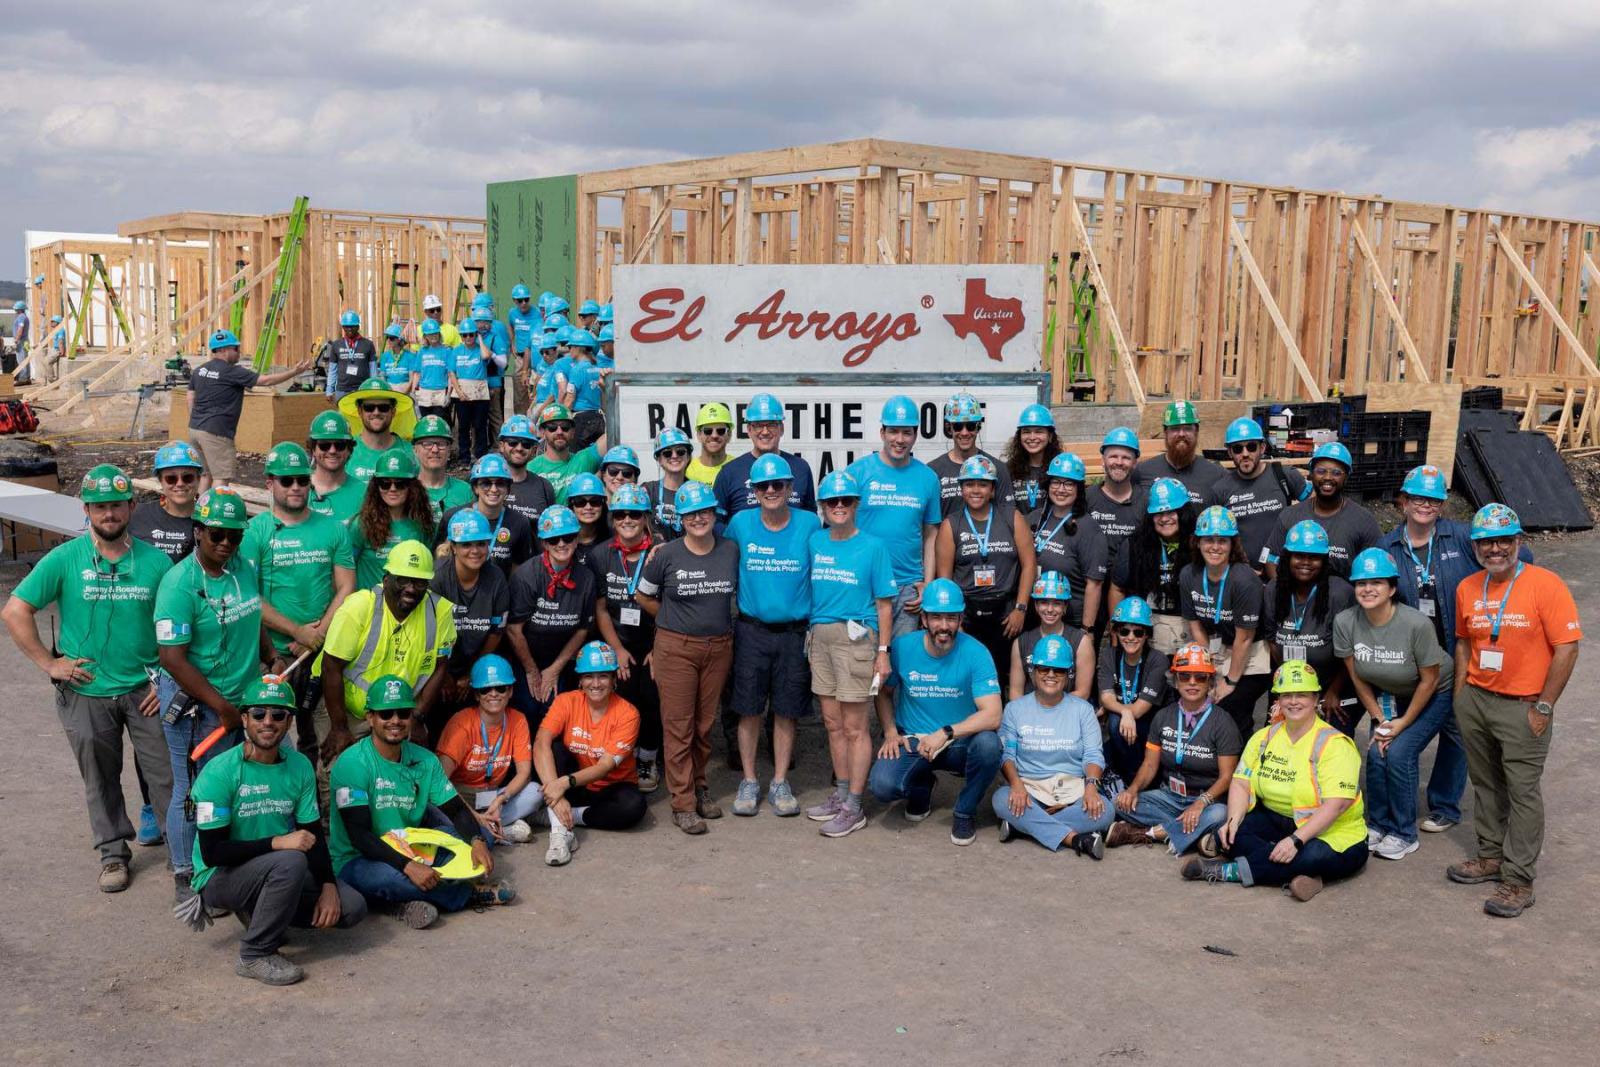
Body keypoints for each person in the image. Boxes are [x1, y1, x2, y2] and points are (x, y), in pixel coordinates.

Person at [2, 465, 174, 892]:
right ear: (87, 510)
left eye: (116, 505)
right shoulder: (65, 558)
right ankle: (113, 853)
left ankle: (185, 857)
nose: (109, 514)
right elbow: (15, 611)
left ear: (132, 506)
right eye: (100, 507)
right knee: (99, 776)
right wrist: (49, 663)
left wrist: (166, 678)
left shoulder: (157, 562)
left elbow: (178, 625)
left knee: (168, 774)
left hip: (145, 690)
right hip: (86, 690)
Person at [186, 678, 366, 986]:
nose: (268, 722)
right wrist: (279, 842)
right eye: (258, 714)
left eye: (278, 715)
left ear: (289, 722)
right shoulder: (218, 772)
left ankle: (262, 913)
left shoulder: (299, 766)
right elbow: (212, 852)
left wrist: (327, 885)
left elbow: (312, 832)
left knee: (351, 908)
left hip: (270, 866)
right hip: (218, 876)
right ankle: (255, 953)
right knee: (291, 860)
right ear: (244, 719)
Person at [1447, 504, 1581, 917]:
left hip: (1524, 706)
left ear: (1519, 542)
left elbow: (1567, 647)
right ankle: (1490, 857)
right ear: (1476, 546)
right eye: (1487, 541)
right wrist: (1460, 693)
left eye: (1505, 540)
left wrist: (1544, 704)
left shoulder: (1546, 584)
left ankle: (1518, 878)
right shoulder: (1468, 587)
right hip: (1477, 700)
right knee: (1485, 782)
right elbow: (1464, 641)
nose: (1496, 549)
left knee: (1522, 791)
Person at [154, 488, 285, 904]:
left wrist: (270, 654)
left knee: (231, 790)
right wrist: (222, 708)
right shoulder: (179, 585)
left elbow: (252, 612)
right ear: (198, 532)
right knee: (194, 792)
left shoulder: (242, 568)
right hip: (200, 710)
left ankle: (220, 865)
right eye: (217, 535)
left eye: (234, 535)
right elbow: (172, 658)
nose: (226, 542)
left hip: (238, 703)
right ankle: (185, 872)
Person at [1379, 464, 1518, 835]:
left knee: (1457, 730)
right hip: (1413, 658)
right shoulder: (1387, 547)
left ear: (1442, 505)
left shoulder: (1461, 537)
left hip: (1461, 651)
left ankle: (1444, 805)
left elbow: (1514, 562)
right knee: (1410, 725)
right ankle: (1399, 800)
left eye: (1434, 499)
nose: (1425, 505)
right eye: (1418, 498)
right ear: (1404, 502)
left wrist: (1494, 608)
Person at [329, 676, 511, 929]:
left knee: (481, 835)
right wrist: (408, 866)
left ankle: (412, 897)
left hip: (412, 845)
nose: (395, 721)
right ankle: (465, 895)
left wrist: (477, 842)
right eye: (385, 714)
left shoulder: (424, 759)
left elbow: (456, 809)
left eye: (403, 713)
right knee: (392, 879)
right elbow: (359, 835)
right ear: (370, 718)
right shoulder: (352, 763)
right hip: (359, 858)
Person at [1188, 660, 1368, 901]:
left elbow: (1337, 805)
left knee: (1313, 855)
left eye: (1302, 695)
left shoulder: (1335, 744)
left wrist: (1296, 840)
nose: (1293, 701)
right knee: (1231, 834)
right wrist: (1232, 820)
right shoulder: (1264, 737)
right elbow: (1241, 782)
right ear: (1278, 701)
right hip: (1278, 821)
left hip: (1332, 832)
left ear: (1316, 699)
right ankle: (1304, 876)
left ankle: (1228, 871)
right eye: (1287, 695)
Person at [1332, 547, 1452, 861]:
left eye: (1377, 583)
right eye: (1361, 583)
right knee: (1375, 751)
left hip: (1431, 692)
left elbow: (1429, 680)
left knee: (1398, 752)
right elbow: (1357, 676)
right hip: (1387, 695)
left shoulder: (1415, 624)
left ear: (1392, 588)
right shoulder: (1346, 622)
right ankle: (1378, 824)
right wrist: (1378, 718)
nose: (1368, 589)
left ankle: (1403, 832)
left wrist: (1402, 724)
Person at [239, 443, 356, 762]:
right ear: (269, 483)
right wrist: (296, 632)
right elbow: (249, 597)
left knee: (322, 740)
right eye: (286, 480)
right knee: (264, 739)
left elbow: (346, 586)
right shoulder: (254, 532)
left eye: (302, 480)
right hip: (272, 655)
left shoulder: (333, 529)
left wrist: (315, 636)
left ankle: (317, 810)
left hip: (321, 652)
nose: (295, 487)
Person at [635, 482, 739, 835]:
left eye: (704, 511)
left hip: (718, 648)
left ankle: (700, 786)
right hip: (676, 648)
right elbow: (642, 595)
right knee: (678, 727)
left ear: (714, 514)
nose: (698, 518)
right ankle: (682, 803)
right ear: (680, 519)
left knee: (703, 726)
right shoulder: (665, 555)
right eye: (691, 513)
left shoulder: (729, 550)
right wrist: (671, 620)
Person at [867, 579, 1003, 846]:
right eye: (937, 617)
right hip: (914, 740)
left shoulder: (976, 653)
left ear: (961, 618)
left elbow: (993, 714)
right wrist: (891, 731)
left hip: (958, 743)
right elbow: (883, 692)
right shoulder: (904, 647)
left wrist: (945, 733)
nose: (944, 626)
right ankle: (922, 785)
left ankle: (965, 810)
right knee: (883, 786)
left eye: (951, 618)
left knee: (990, 746)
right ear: (924, 619)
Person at [725, 454, 821, 817]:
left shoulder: (810, 524)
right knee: (747, 710)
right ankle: (749, 780)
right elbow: (713, 553)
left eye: (777, 485)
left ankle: (780, 780)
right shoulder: (740, 523)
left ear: (790, 488)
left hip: (794, 633)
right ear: (753, 491)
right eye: (762, 486)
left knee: (786, 711)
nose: (770, 491)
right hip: (751, 629)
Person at [805, 471, 895, 838]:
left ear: (855, 505)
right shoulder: (815, 541)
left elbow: (885, 605)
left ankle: (855, 806)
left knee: (856, 726)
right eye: (832, 502)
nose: (838, 507)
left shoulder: (873, 546)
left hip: (856, 639)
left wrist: (883, 651)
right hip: (820, 638)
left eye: (845, 501)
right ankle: (841, 794)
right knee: (832, 722)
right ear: (823, 507)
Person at [316, 541, 456, 773]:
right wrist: (339, 727)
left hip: (400, 713)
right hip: (348, 710)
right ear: (387, 578)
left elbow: (441, 667)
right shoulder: (359, 607)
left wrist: (418, 718)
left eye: (420, 582)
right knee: (337, 770)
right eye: (403, 579)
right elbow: (331, 666)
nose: (411, 588)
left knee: (403, 775)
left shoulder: (439, 612)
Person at [1108, 642, 1240, 855]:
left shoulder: (1223, 723)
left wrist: (1199, 804)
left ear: (1210, 682)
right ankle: (1194, 833)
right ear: (1175, 680)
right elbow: (1150, 764)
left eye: (1200, 677)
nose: (1192, 682)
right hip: (1169, 797)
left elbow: (1227, 777)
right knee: (1119, 803)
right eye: (1185, 676)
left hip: (1207, 800)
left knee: (1221, 814)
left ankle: (1150, 833)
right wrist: (1132, 789)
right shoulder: (1163, 717)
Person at [991, 634, 1111, 858]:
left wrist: (1091, 786)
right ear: (1033, 671)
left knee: (1105, 809)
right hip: (1029, 789)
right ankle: (1075, 839)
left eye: (1059, 670)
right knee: (1001, 799)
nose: (1051, 675)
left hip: (1072, 789)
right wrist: (1016, 784)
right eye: (1044, 669)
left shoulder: (1083, 709)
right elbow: (1007, 754)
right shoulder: (1015, 709)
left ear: (1068, 675)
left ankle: (1023, 826)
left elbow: (1094, 754)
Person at [533, 641, 647, 865]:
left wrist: (562, 785)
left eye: (603, 676)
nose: (595, 683)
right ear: (580, 680)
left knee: (634, 807)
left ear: (614, 680)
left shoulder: (628, 714)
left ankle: (564, 816)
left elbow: (605, 767)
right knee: (555, 750)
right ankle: (560, 831)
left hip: (609, 787)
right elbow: (540, 743)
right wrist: (555, 791)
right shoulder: (566, 701)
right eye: (588, 676)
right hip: (575, 785)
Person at [588, 485, 663, 792]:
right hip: (618, 639)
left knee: (652, 698)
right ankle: (625, 756)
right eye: (621, 514)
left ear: (645, 517)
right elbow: (601, 608)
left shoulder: (661, 552)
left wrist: (659, 648)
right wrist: (616, 649)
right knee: (624, 699)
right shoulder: (600, 554)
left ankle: (648, 758)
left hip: (655, 639)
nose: (627, 520)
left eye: (634, 514)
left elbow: (670, 606)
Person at [848, 395, 943, 637]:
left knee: (901, 663)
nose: (899, 440)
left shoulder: (928, 478)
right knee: (863, 663)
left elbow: (931, 535)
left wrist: (927, 583)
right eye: (893, 431)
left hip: (908, 589)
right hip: (864, 584)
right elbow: (839, 529)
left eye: (906, 432)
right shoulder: (857, 473)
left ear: (915, 435)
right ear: (882, 432)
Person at [936, 455, 1036, 678]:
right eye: (969, 484)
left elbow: (1029, 565)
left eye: (983, 484)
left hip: (1006, 613)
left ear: (992, 489)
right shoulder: (950, 525)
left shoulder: (1012, 517)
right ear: (961, 488)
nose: (976, 490)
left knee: (1004, 679)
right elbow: (945, 580)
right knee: (966, 677)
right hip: (967, 615)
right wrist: (954, 619)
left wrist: (1020, 609)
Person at [1180, 505, 1270, 740]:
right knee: (1196, 695)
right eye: (1209, 539)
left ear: (1232, 545)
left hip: (1250, 652)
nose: (1215, 547)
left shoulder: (1244, 579)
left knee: (1229, 705)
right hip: (1216, 647)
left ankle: (1239, 765)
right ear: (1197, 542)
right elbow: (1195, 625)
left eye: (1223, 541)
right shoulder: (1188, 575)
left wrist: (1229, 680)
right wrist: (1208, 669)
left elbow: (1246, 637)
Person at [506, 505, 597, 725]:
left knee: (556, 710)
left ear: (576, 540)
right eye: (554, 539)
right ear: (544, 543)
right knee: (527, 707)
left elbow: (582, 629)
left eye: (567, 538)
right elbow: (513, 629)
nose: (562, 544)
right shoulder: (526, 576)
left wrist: (554, 670)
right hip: (525, 658)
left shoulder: (586, 578)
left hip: (561, 659)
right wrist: (532, 670)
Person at [188, 329, 309, 491]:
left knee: (205, 474)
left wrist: (195, 419)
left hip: (195, 429)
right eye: (236, 349)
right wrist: (294, 372)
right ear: (224, 350)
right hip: (216, 432)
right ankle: (216, 513)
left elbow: (190, 397)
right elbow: (265, 381)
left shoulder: (200, 370)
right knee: (221, 478)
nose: (239, 352)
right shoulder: (232, 371)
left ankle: (199, 509)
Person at [435, 654, 538, 846]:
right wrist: (471, 815)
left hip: (493, 795)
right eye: (485, 689)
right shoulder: (461, 723)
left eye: (500, 688)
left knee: (535, 793)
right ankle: (498, 829)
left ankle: (485, 828)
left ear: (510, 691)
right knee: (435, 809)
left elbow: (524, 773)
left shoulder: (518, 719)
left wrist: (501, 799)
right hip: (459, 795)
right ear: (476, 694)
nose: (493, 694)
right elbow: (440, 781)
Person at [1263, 520, 1355, 728]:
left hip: (1330, 689)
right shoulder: (1274, 589)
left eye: (1314, 557)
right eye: (1299, 556)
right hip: (1288, 687)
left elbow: (1350, 652)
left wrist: (1334, 691)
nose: (1306, 562)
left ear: (1323, 561)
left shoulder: (1340, 593)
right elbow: (1271, 639)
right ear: (1287, 558)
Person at [1263, 443, 1382, 580]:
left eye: (1336, 473)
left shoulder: (1363, 521)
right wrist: (1283, 593)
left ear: (1346, 477)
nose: (1328, 477)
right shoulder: (1290, 516)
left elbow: (1377, 569)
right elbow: (1270, 559)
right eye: (1321, 471)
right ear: (1311, 474)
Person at [1207, 417, 1306, 573]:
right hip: (1242, 577)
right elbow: (1213, 539)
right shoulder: (1220, 490)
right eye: (1238, 449)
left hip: (1284, 576)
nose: (1245, 454)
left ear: (1262, 447)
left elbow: (1317, 510)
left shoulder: (1285, 476)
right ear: (1230, 452)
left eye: (1251, 447)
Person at [1108, 478, 1196, 655]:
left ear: (1183, 513)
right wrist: (1116, 633)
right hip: (1145, 632)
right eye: (1158, 513)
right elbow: (1117, 589)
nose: (1164, 519)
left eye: (1171, 512)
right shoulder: (1133, 545)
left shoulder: (1199, 544)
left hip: (1190, 630)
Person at [1028, 452, 1108, 630]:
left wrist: (1087, 630)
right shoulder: (1034, 519)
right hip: (1036, 617)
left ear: (1079, 488)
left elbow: (1094, 585)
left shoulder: (1089, 529)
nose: (1061, 489)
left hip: (1071, 622)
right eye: (1056, 482)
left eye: (1069, 484)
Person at [1097, 596, 1171, 782]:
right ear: (1116, 632)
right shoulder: (1108, 655)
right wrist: (1125, 712)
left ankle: (1136, 780)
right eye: (1124, 631)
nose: (1130, 637)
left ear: (1147, 634)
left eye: (1138, 632)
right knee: (1113, 724)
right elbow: (1106, 697)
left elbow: (1140, 709)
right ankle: (1125, 777)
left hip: (1152, 724)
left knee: (1116, 722)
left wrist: (1124, 711)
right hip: (1124, 723)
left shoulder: (1158, 659)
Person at [713, 392, 817, 516]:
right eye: (758, 425)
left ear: (781, 429)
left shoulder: (801, 468)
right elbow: (716, 522)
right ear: (749, 430)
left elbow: (810, 517)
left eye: (771, 425)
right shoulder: (729, 473)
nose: (765, 432)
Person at [437, 454, 535, 578]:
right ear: (475, 488)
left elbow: (518, 569)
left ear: (508, 489)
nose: (493, 489)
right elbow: (440, 559)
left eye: (500, 483)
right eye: (486, 483)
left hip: (499, 593)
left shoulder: (519, 522)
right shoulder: (453, 517)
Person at [349, 449, 435, 590]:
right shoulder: (361, 525)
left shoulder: (421, 524)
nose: (392, 489)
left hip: (407, 605)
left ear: (411, 487)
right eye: (385, 483)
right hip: (370, 607)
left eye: (400, 483)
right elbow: (346, 571)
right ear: (376, 487)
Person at [1009, 571, 1094, 701]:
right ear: (1036, 605)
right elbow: (1015, 693)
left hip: (1068, 712)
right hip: (1031, 714)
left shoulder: (1081, 642)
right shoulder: (1021, 642)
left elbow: (1083, 692)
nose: (1049, 609)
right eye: (1044, 602)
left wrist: (1050, 709)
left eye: (1056, 603)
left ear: (1065, 606)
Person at [928, 391, 1013, 518]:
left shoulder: (997, 468)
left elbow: (1009, 517)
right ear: (948, 427)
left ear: (978, 427)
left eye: (970, 426)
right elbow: (930, 524)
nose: (964, 432)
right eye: (958, 426)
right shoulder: (933, 471)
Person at [1136, 400, 1223, 505]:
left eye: (1187, 428)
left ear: (1196, 431)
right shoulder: (1143, 472)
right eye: (1175, 428)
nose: (1181, 434)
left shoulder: (1216, 475)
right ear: (1165, 432)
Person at [130, 441, 202, 563]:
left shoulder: (209, 520)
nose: (180, 484)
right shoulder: (138, 515)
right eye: (171, 479)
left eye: (187, 478)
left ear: (198, 479)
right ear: (160, 481)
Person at [340, 377, 417, 482]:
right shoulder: (344, 452)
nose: (376, 412)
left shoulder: (411, 453)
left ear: (393, 412)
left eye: (383, 407)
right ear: (359, 411)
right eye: (369, 407)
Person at [1086, 427, 1146, 558]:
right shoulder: (1087, 498)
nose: (1119, 462)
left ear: (1135, 463)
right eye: (1113, 456)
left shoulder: (1146, 501)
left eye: (1126, 458)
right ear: (1103, 460)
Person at [529, 403, 604, 502]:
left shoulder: (584, 459)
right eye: (552, 427)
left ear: (573, 432)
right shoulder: (530, 468)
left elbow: (613, 433)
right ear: (543, 432)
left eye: (565, 427)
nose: (559, 432)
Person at [306, 410, 367, 524]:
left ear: (349, 450)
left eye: (340, 445)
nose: (332, 451)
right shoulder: (296, 489)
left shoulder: (364, 493)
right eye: (324, 445)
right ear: (313, 449)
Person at [450, 315, 496, 461]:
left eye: (471, 334)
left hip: (480, 392)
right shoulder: (456, 351)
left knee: (480, 426)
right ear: (461, 336)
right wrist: (458, 392)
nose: (468, 337)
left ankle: (480, 455)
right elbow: (452, 373)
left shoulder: (481, 349)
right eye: (465, 335)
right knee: (463, 427)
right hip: (462, 391)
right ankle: (464, 457)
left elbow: (486, 355)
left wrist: (480, 339)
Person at [497, 415, 557, 525]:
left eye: (526, 444)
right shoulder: (487, 484)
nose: (519, 448)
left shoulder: (544, 487)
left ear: (534, 450)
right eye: (512, 442)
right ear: (501, 446)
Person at [411, 414, 472, 521]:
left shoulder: (465, 491)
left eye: (441, 444)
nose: (435, 449)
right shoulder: (403, 490)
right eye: (427, 444)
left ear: (449, 450)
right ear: (415, 450)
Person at [1003, 403, 1060, 512]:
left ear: (1050, 436)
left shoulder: (1059, 468)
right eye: (1026, 432)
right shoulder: (1009, 470)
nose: (1032, 437)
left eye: (1039, 431)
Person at [643, 427, 691, 541]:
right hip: (655, 556)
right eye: (667, 453)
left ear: (688, 456)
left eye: (680, 451)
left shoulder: (696, 491)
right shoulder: (648, 491)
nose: (674, 456)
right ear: (659, 459)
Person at [562, 328, 607, 449]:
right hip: (598, 419)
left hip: (582, 422)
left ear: (578, 348)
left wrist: (560, 418)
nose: (569, 350)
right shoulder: (598, 368)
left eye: (570, 346)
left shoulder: (577, 369)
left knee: (578, 458)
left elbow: (570, 399)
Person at [324, 310, 377, 402]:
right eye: (346, 326)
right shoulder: (336, 345)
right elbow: (332, 369)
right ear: (343, 327)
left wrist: (374, 388)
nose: (349, 329)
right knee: (343, 416)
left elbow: (373, 369)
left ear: (358, 326)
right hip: (342, 390)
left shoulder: (368, 344)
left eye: (352, 326)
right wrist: (329, 390)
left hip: (363, 389)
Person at [565, 471, 612, 570]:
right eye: (580, 502)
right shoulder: (560, 540)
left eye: (595, 501)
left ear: (603, 505)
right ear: (571, 505)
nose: (588, 507)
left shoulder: (613, 538)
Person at [410, 319, 455, 421]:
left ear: (439, 334)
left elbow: (450, 375)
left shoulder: (447, 351)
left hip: (441, 392)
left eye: (435, 333)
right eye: (430, 334)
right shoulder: (422, 351)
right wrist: (413, 391)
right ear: (425, 336)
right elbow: (417, 373)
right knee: (426, 422)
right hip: (424, 392)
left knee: (440, 423)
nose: (433, 336)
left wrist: (448, 395)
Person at [507, 283, 540, 414]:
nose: (524, 303)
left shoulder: (537, 313)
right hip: (520, 358)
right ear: (515, 301)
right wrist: (512, 343)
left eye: (526, 299)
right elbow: (510, 325)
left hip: (536, 358)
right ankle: (520, 420)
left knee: (535, 392)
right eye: (520, 300)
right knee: (520, 392)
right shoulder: (512, 313)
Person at [687, 402, 735, 486]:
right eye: (708, 431)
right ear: (699, 435)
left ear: (729, 434)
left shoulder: (738, 467)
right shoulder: (687, 471)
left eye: (721, 431)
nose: (714, 435)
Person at [378, 324, 415, 394]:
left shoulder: (410, 356)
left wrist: (405, 391)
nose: (388, 340)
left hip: (405, 388)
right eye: (387, 338)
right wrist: (387, 390)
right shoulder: (385, 356)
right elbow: (382, 376)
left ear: (399, 339)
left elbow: (412, 378)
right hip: (389, 389)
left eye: (391, 338)